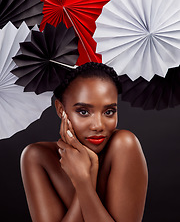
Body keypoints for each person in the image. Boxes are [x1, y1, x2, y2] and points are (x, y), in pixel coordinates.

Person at [21, 62, 148, 222]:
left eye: (109, 112)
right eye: (83, 111)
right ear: (61, 109)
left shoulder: (124, 145)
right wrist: (87, 176)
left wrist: (83, 182)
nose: (98, 126)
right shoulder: (38, 157)